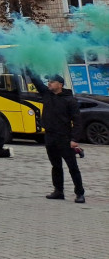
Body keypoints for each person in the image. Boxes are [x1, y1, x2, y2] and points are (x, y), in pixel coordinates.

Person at [27, 72, 84, 203]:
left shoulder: (70, 100)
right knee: (55, 165)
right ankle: (58, 191)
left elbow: (77, 121)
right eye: (48, 82)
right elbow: (36, 80)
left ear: (60, 85)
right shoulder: (47, 94)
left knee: (72, 167)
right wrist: (28, 67)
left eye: (52, 82)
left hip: (64, 137)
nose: (49, 84)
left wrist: (74, 139)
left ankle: (79, 193)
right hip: (49, 136)